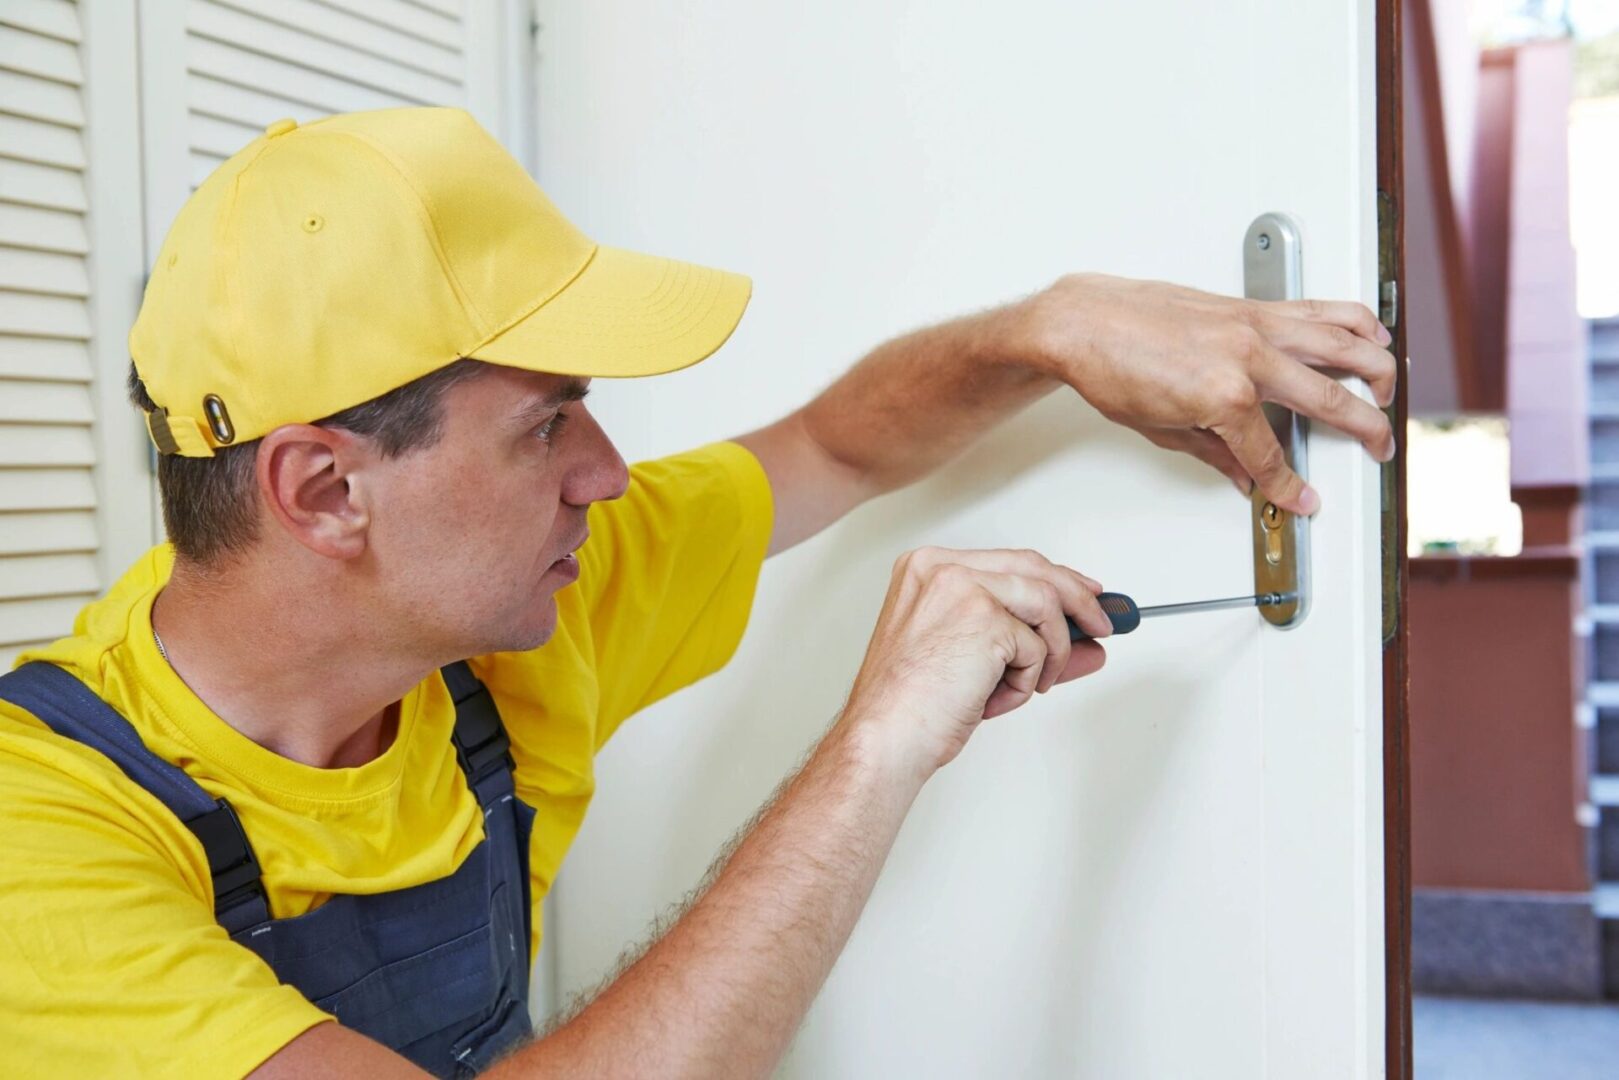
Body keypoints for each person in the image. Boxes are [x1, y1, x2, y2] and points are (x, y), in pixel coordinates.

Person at [0, 108, 1396, 1079]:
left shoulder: (515, 611)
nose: (608, 476)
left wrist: (1045, 326)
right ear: (325, 494)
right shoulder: (39, 845)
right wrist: (871, 754)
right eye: (548, 424)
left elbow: (836, 445)